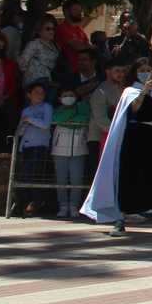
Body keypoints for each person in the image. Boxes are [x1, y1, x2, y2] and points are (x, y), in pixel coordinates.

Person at [83, 55, 152, 236]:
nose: (145, 74)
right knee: (127, 176)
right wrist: (144, 92)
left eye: (147, 70)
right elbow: (133, 112)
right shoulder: (130, 91)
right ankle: (121, 219)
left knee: (151, 177)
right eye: (141, 71)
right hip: (134, 138)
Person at [50, 83, 91, 219]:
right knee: (61, 180)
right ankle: (63, 205)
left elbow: (86, 118)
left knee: (77, 180)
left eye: (71, 96)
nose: (68, 98)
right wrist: (72, 112)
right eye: (65, 96)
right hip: (59, 150)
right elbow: (59, 120)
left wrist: (71, 118)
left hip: (79, 149)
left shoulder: (83, 107)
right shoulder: (57, 110)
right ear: (60, 98)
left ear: (76, 97)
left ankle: (74, 205)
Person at [13, 82, 54, 218]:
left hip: (40, 143)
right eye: (36, 93)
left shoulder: (47, 107)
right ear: (29, 95)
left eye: (41, 93)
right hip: (26, 144)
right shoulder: (26, 110)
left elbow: (45, 124)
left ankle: (38, 198)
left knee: (28, 170)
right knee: (26, 174)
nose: (39, 96)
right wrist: (26, 121)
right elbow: (20, 130)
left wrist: (29, 120)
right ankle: (30, 202)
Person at [86, 57, 127, 187]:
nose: (120, 74)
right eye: (117, 71)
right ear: (108, 72)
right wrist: (116, 132)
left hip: (118, 137)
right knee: (99, 175)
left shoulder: (125, 88)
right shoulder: (100, 92)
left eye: (122, 71)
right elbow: (100, 118)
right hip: (99, 138)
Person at [0, 34, 19, 155]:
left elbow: (12, 84)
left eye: (3, 46)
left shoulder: (10, 64)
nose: (0, 48)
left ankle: (4, 148)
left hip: (4, 98)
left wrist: (4, 97)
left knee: (8, 112)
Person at [18, 15, 60, 90]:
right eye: (48, 29)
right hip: (35, 82)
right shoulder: (34, 44)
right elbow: (22, 63)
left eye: (53, 29)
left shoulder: (56, 47)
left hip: (52, 83)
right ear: (40, 31)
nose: (51, 31)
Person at [54, 0, 90, 78]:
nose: (79, 12)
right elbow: (81, 48)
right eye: (75, 10)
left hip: (82, 71)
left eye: (80, 10)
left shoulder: (80, 29)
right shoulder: (63, 28)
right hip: (69, 71)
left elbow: (89, 48)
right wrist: (84, 46)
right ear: (66, 12)